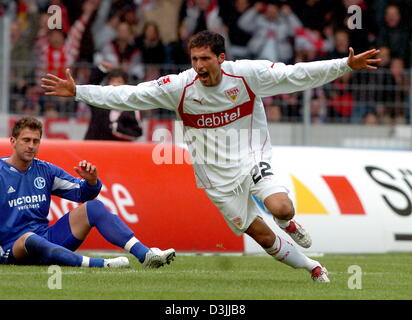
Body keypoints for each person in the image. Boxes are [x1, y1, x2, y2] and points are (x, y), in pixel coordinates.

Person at [41, 30, 380, 282]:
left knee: (281, 207)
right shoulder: (179, 86)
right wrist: (79, 92)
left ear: (221, 58)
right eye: (194, 59)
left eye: (205, 58)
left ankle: (288, 222)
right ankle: (313, 266)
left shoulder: (247, 75)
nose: (199, 66)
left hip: (251, 158)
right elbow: (131, 95)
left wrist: (345, 65)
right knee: (262, 237)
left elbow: (296, 75)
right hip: (214, 178)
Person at [0, 117, 175, 268]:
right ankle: (100, 264)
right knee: (29, 238)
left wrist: (91, 182)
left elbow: (81, 194)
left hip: (46, 238)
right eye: (26, 140)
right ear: (13, 141)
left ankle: (145, 255)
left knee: (93, 207)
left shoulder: (45, 170)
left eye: (35, 141)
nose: (31, 146)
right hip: (14, 247)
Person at [84, 64, 143, 141]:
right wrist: (101, 70)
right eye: (112, 81)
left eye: (119, 81)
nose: (115, 84)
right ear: (108, 83)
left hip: (117, 151)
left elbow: (136, 133)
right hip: (93, 148)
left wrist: (117, 128)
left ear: (125, 85)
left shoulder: (131, 107)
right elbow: (90, 89)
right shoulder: (100, 101)